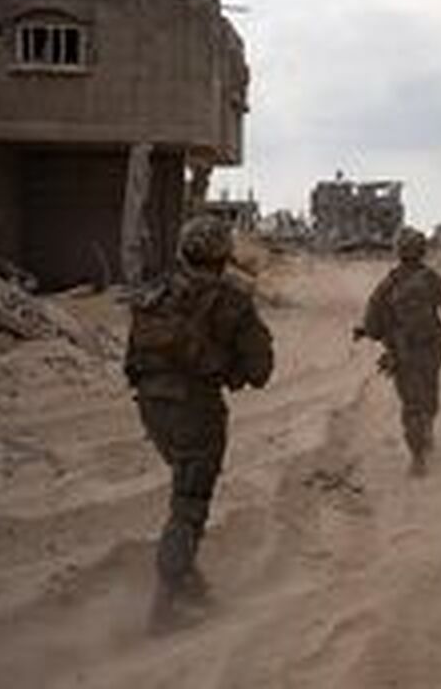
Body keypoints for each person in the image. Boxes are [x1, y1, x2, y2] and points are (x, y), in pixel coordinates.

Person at [124, 215, 274, 631]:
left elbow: (134, 352)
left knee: (184, 485)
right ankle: (167, 605)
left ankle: (187, 579)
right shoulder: (232, 299)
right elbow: (260, 370)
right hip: (195, 409)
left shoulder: (157, 290)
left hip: (151, 405)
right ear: (223, 254)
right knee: (189, 505)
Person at [355, 227, 441, 476]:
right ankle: (427, 433)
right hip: (432, 353)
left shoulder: (389, 284)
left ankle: (417, 457)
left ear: (398, 251)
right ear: (423, 251)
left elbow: (372, 325)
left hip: (403, 354)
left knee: (411, 404)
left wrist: (383, 337)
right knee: (429, 394)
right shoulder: (434, 280)